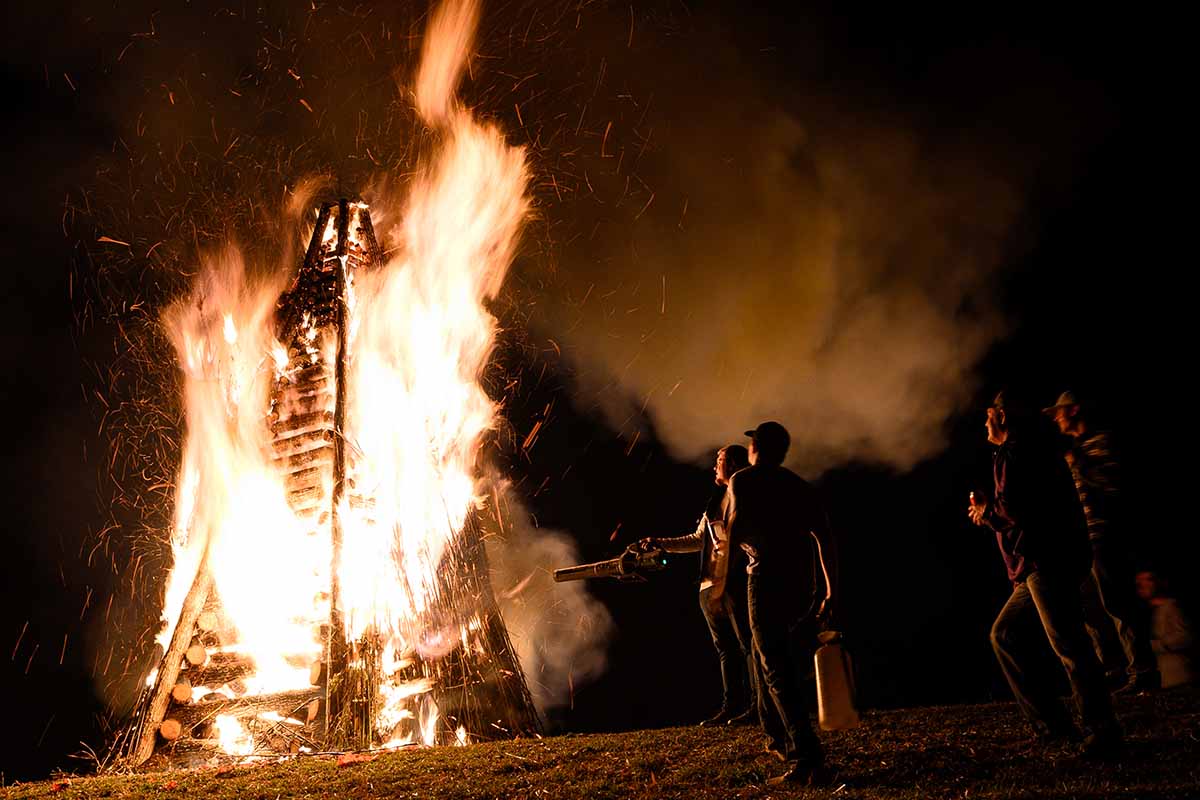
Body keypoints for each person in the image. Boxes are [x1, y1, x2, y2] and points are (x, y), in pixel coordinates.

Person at [969, 390, 1122, 759]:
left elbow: (1014, 510)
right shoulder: (1034, 450)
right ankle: (1052, 726)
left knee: (1070, 646)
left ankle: (1101, 732)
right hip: (1040, 562)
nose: (985, 423)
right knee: (1004, 634)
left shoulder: (1016, 453)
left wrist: (985, 514)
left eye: (989, 416)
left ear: (1002, 416)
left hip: (1043, 560)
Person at [725, 421, 837, 786]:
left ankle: (807, 758)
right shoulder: (797, 485)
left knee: (774, 667)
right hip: (800, 583)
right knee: (780, 663)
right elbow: (824, 538)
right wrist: (830, 591)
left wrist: (725, 572)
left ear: (755, 446)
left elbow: (736, 528)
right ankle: (791, 743)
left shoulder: (743, 480)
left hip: (765, 581)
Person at [1045, 390, 1158, 693]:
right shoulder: (1077, 448)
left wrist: (1078, 463)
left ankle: (1143, 670)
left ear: (1075, 410)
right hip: (1083, 541)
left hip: (1105, 536)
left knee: (1117, 603)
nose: (1055, 418)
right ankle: (1114, 671)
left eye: (1059, 411)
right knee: (1091, 611)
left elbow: (1112, 486)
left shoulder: (1101, 442)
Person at [636, 445, 756, 726]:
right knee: (726, 648)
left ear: (736, 464)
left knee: (748, 645)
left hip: (735, 582)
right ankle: (732, 706)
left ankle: (757, 706)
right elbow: (698, 539)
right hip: (709, 586)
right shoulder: (714, 502)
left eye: (721, 459)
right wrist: (660, 543)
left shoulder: (745, 498)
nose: (715, 465)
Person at [1135, 571, 1195, 689]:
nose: (1142, 584)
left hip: (1180, 680)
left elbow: (1186, 636)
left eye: (1148, 579)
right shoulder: (1152, 611)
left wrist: (1159, 645)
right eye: (1138, 582)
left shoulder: (1171, 607)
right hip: (1168, 680)